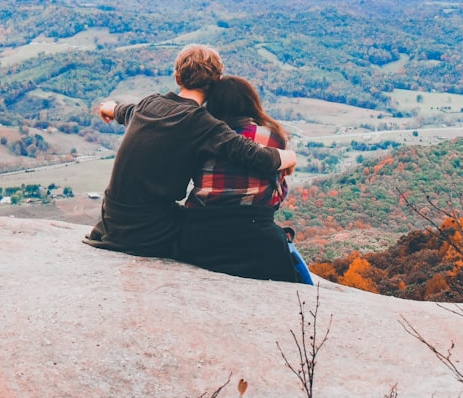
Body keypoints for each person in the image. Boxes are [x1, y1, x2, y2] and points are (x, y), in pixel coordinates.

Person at [84, 45, 297, 258]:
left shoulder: (148, 104)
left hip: (111, 219)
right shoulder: (202, 123)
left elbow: (125, 111)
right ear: (216, 83)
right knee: (208, 226)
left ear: (177, 78)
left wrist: (108, 107)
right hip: (148, 231)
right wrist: (290, 156)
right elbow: (257, 156)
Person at [178, 75, 313, 284]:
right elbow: (279, 193)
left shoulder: (201, 135)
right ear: (252, 102)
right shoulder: (272, 136)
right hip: (256, 239)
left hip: (200, 236)